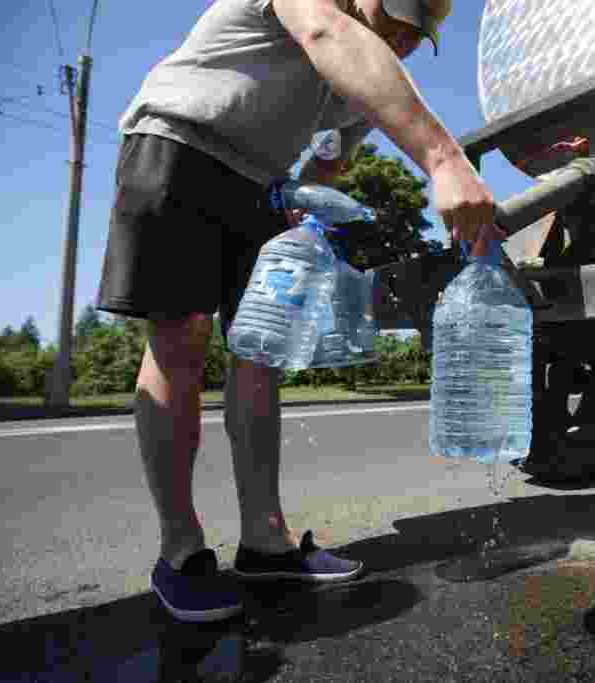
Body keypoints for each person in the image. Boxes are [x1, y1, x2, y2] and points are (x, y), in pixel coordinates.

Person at [96, 0, 504, 623]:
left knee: (261, 352)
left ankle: (265, 541)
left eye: (416, 34)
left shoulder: (366, 69)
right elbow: (324, 31)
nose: (402, 39)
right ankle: (180, 552)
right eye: (394, 20)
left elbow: (330, 157)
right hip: (180, 145)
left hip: (261, 186)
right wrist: (444, 160)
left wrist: (313, 210)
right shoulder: (326, 17)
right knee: (182, 337)